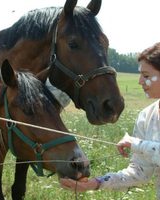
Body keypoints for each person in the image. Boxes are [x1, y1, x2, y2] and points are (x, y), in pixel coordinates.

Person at [60, 42, 160, 199]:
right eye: (140, 75)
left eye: (146, 76)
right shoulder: (145, 117)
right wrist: (96, 183)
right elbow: (139, 173)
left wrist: (138, 145)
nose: (140, 81)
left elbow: (141, 147)